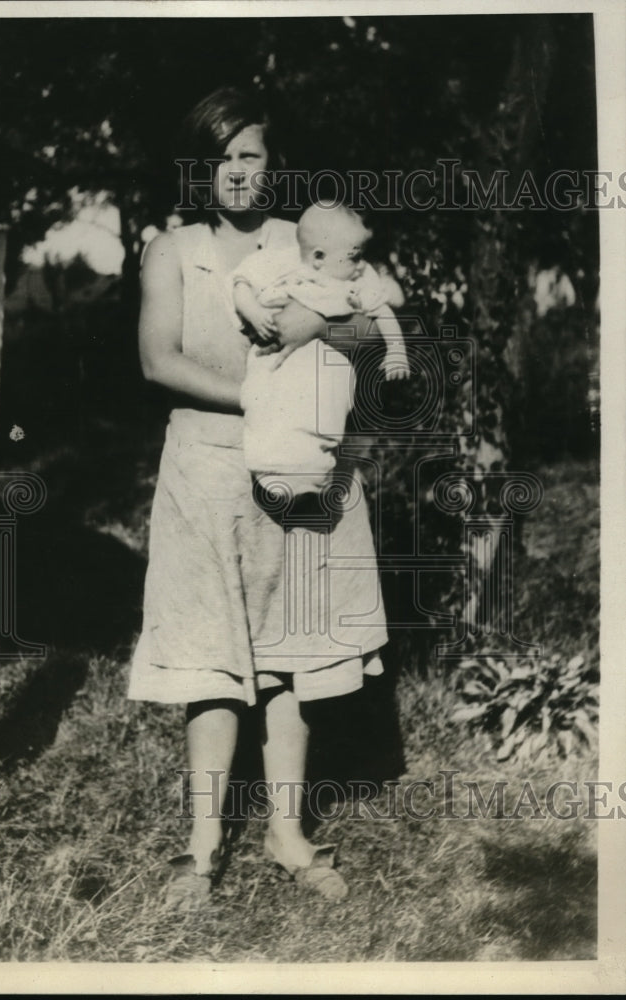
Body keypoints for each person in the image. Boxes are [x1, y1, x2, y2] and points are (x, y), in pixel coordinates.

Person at [127, 87, 389, 910]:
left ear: (272, 165)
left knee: (289, 655)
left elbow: (370, 323)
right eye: (220, 158)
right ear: (197, 169)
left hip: (301, 465)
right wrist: (259, 396)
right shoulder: (173, 250)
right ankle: (202, 850)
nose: (235, 173)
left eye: (249, 156)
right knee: (212, 657)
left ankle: (286, 832)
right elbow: (158, 360)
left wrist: (318, 353)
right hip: (204, 469)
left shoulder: (308, 240)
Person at [233, 201, 409, 498]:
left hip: (325, 364)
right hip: (278, 359)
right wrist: (253, 312)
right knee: (264, 388)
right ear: (318, 257)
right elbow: (241, 282)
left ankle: (317, 466)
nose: (362, 265)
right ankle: (266, 462)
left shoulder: (351, 284)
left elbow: (386, 310)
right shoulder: (286, 266)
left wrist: (396, 351)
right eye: (354, 258)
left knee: (333, 390)